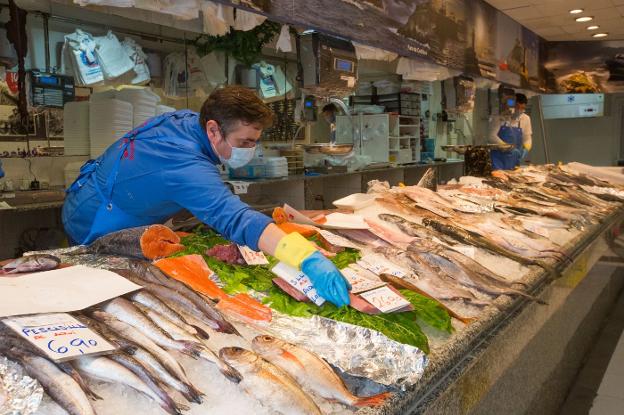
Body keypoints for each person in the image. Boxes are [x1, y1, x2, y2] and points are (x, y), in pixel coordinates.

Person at [62, 86, 350, 307]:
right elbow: (234, 218)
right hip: (96, 219)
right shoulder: (184, 163)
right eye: (244, 142)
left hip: (114, 200)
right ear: (213, 129)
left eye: (254, 142)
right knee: (111, 293)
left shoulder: (190, 123)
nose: (250, 150)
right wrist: (306, 257)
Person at [488, 93, 532, 170]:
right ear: (512, 105)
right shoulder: (499, 116)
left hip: (514, 161)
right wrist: (508, 147)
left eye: (522, 108)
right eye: (518, 107)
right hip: (497, 160)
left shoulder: (526, 119)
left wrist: (526, 148)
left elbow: (527, 138)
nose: (520, 111)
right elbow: (491, 136)